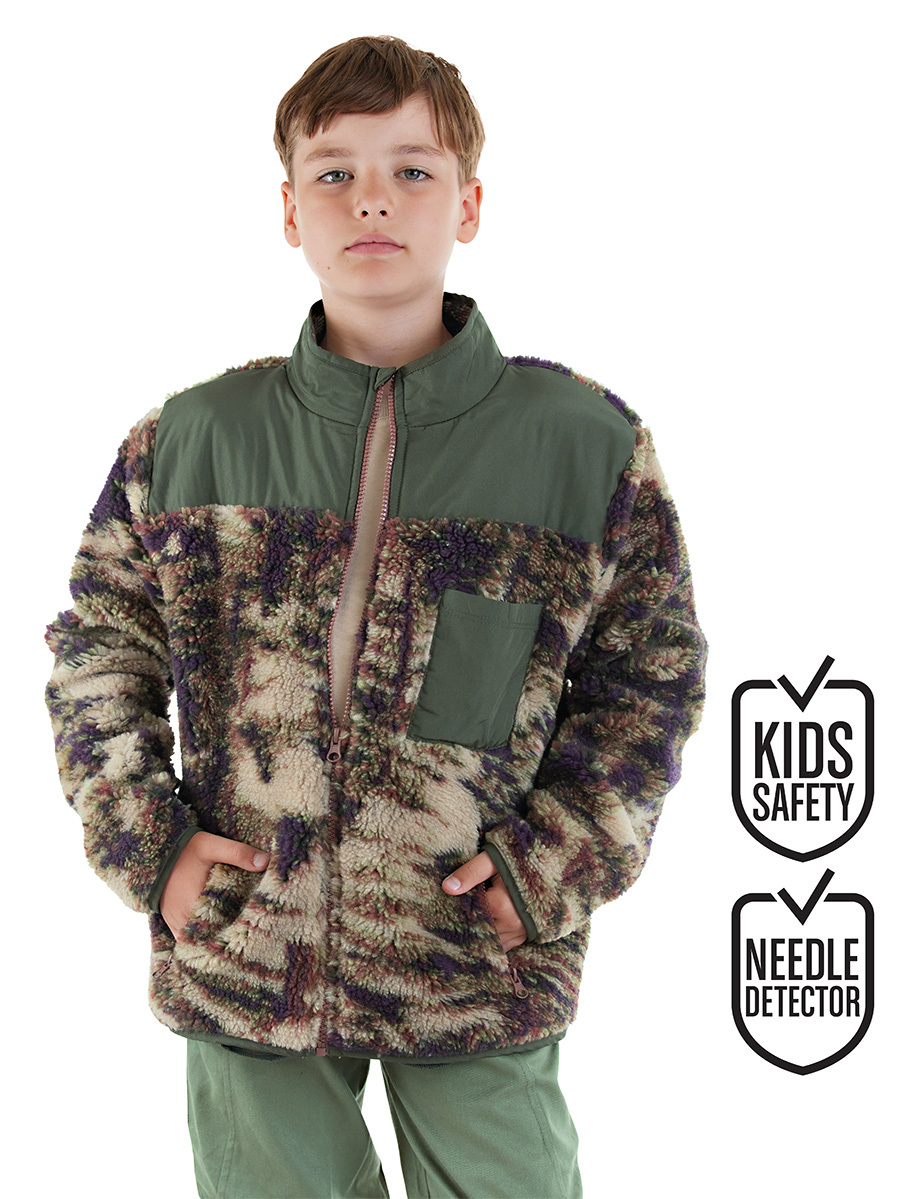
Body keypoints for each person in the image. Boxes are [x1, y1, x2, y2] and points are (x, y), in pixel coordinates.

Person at [45, 34, 707, 1199]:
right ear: (288, 210)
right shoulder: (191, 438)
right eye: (335, 172)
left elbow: (646, 685)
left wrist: (548, 866)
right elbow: (101, 655)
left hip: (475, 956)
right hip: (248, 946)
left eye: (412, 169)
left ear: (470, 203)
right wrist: (151, 846)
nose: (372, 199)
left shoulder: (582, 443)